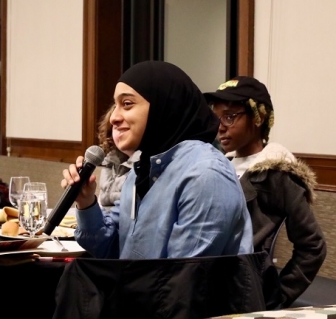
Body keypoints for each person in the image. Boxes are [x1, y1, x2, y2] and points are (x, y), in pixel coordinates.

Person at [61, 61, 253, 259]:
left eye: (127, 104)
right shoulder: (143, 168)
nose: (113, 118)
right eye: (115, 105)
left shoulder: (206, 174)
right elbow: (111, 248)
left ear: (164, 105)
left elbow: (183, 279)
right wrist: (86, 202)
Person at [204, 76, 327, 308]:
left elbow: (313, 246)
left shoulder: (276, 173)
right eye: (216, 117)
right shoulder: (219, 167)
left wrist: (277, 297)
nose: (220, 127)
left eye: (230, 117)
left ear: (258, 118)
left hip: (242, 296)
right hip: (208, 291)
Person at [97, 104, 140, 212]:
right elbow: (103, 204)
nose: (115, 122)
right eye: (114, 128)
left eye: (124, 128)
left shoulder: (149, 166)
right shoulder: (110, 161)